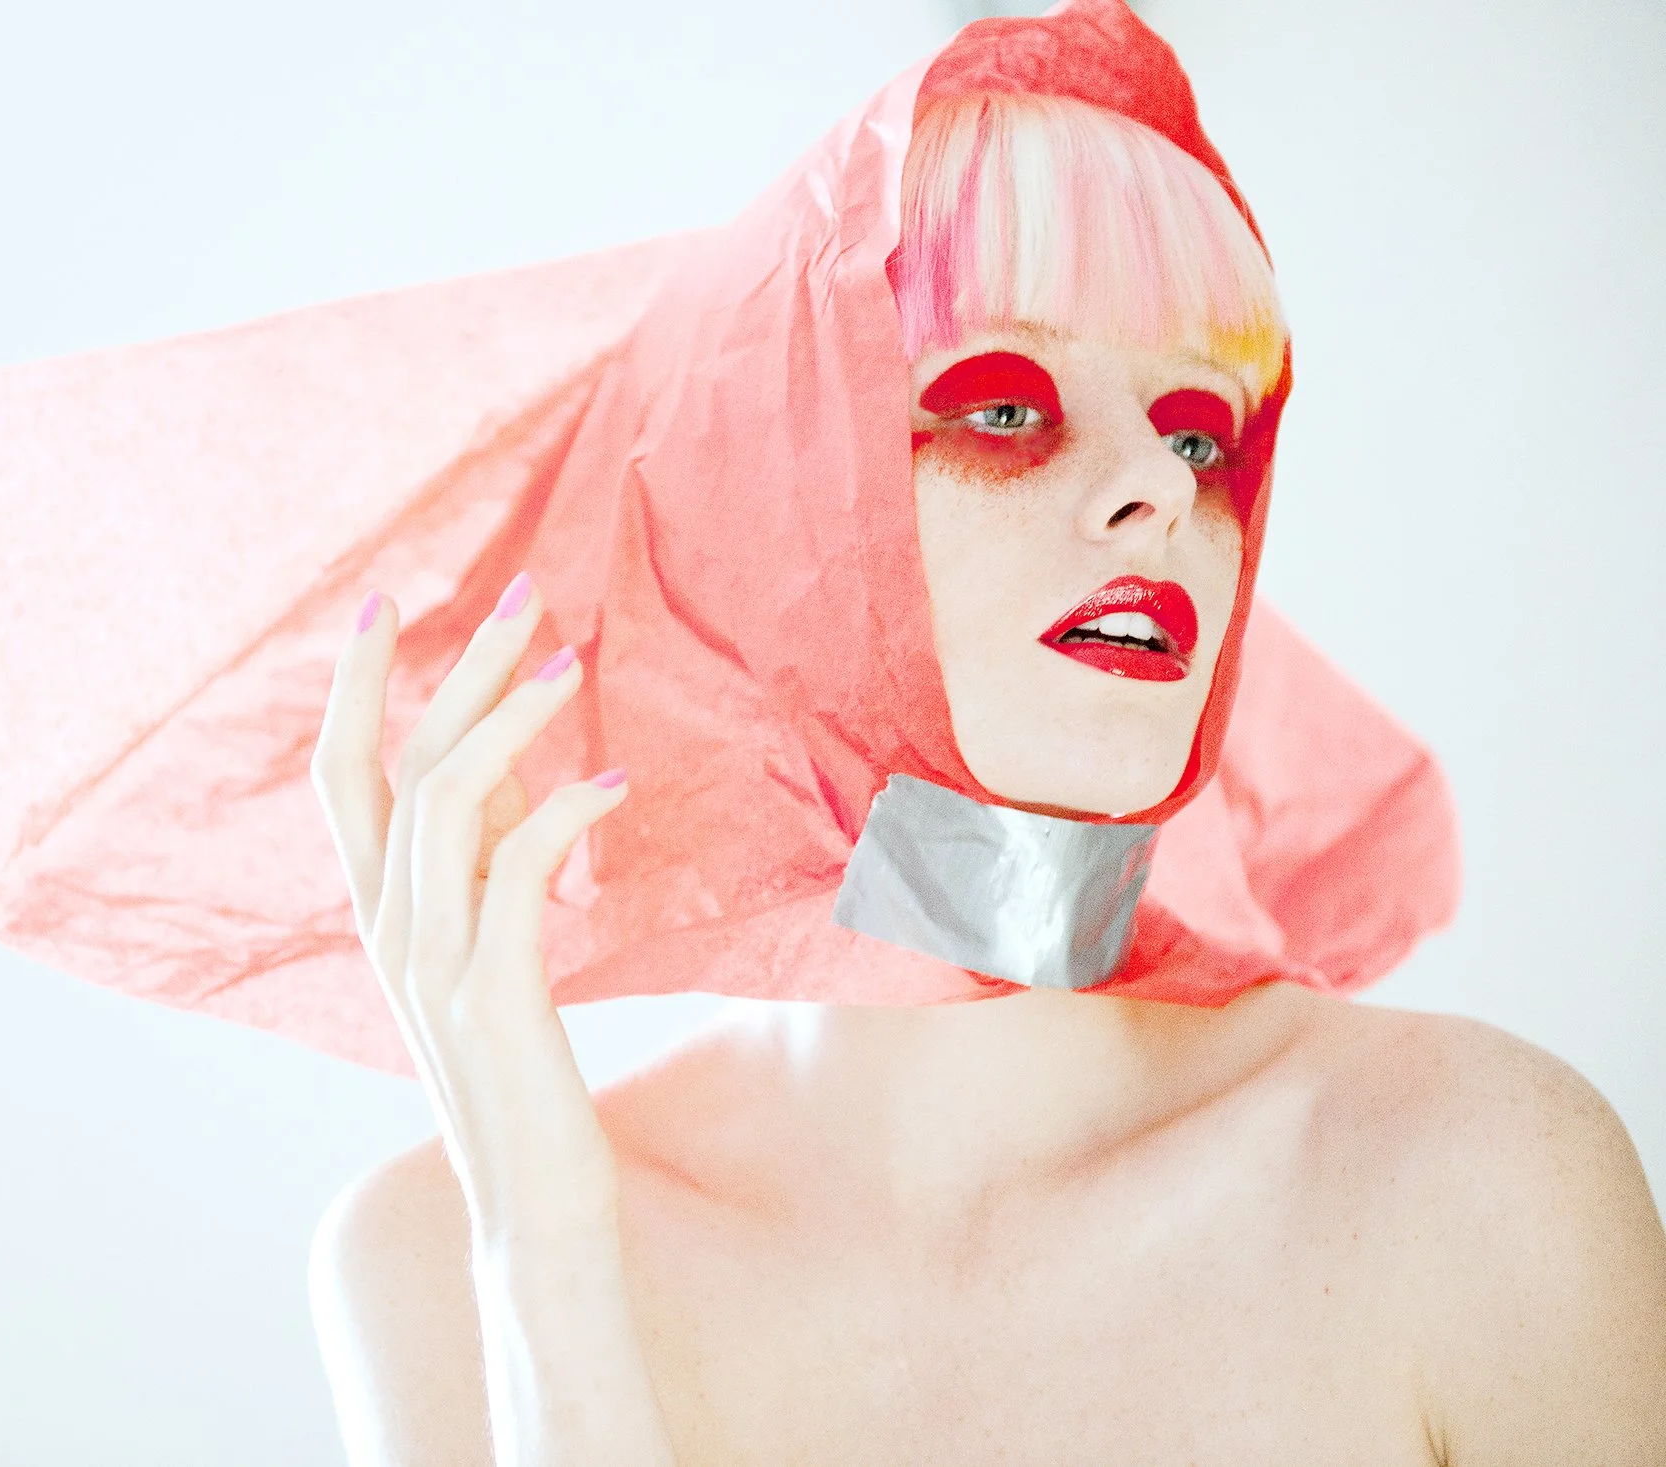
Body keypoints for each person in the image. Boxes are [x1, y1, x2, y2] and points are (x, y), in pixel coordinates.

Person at [301, 15, 1666, 1467]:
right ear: (761, 512)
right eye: (1006, 407)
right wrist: (544, 1248)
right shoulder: (431, 1263)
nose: (1160, 489)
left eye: (1200, 433)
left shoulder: (1480, 1180)